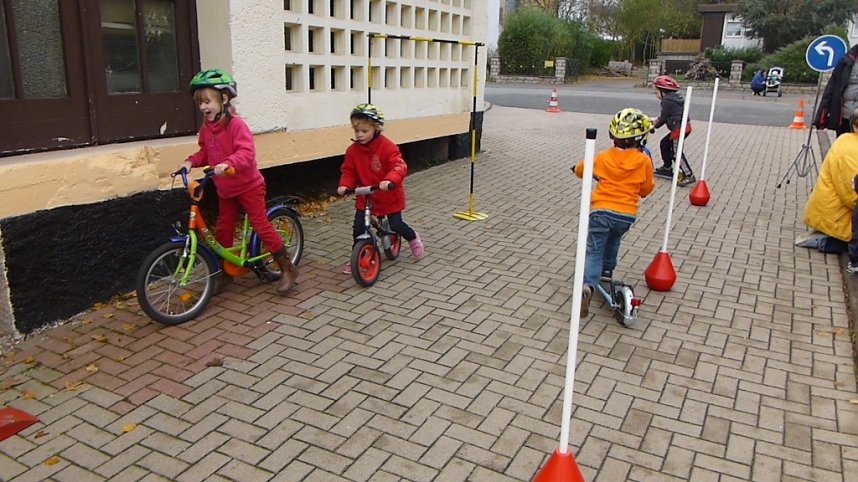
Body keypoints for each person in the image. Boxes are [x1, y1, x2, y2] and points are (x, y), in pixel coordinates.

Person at [179, 69, 298, 294]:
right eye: (200, 103)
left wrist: (229, 163)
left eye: (207, 101)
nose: (203, 107)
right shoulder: (206, 128)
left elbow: (246, 152)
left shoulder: (236, 125)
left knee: (261, 225)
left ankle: (287, 267)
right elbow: (205, 152)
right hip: (226, 189)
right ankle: (225, 272)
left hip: (248, 186)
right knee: (223, 229)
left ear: (224, 99)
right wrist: (189, 162)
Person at [573, 108, 655, 316]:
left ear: (613, 136)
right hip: (625, 214)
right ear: (641, 138)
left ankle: (588, 286)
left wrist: (575, 168)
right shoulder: (644, 160)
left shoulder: (602, 157)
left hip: (601, 211)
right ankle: (607, 273)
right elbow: (646, 189)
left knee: (593, 250)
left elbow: (582, 170)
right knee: (614, 240)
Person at [337, 103, 423, 273]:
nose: (360, 135)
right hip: (366, 195)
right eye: (357, 131)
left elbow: (399, 166)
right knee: (358, 227)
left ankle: (413, 238)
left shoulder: (387, 147)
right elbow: (349, 170)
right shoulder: (353, 151)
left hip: (388, 194)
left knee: (396, 224)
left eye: (364, 131)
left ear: (376, 128)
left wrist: (390, 180)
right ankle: (359, 255)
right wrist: (345, 185)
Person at [804, 109, 858, 256]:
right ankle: (825, 241)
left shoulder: (847, 140)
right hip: (835, 218)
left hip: (832, 212)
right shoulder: (851, 150)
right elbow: (852, 195)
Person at [650, 75, 696, 187]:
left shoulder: (667, 101)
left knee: (677, 153)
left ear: (663, 91)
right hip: (682, 127)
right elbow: (668, 115)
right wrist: (656, 120)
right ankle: (667, 167)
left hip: (679, 129)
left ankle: (689, 175)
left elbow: (664, 118)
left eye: (656, 92)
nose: (656, 95)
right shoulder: (674, 98)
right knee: (664, 144)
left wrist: (653, 127)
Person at [814, 43, 858, 137]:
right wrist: (822, 116)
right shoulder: (846, 60)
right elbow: (831, 88)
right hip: (846, 117)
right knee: (844, 148)